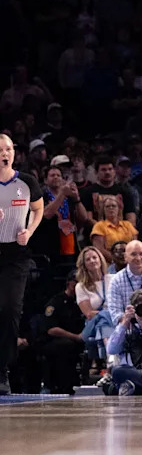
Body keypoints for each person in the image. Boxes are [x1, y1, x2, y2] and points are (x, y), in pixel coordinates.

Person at [0, 134, 44, 395]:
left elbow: (38, 209)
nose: (5, 153)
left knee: (9, 310)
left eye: (8, 149)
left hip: (16, 256)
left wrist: (29, 230)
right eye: (0, 150)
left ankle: (2, 371)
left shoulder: (26, 182)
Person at [37, 273, 85, 394]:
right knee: (65, 345)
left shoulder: (82, 301)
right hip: (54, 340)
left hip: (79, 339)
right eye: (76, 282)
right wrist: (75, 337)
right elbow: (51, 329)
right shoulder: (56, 302)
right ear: (69, 283)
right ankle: (58, 386)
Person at [75, 247, 113, 367]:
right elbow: (89, 314)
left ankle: (108, 356)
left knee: (104, 319)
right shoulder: (81, 287)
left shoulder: (113, 279)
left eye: (94, 257)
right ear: (84, 264)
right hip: (92, 327)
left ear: (100, 259)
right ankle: (110, 353)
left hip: (114, 320)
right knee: (103, 318)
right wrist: (109, 313)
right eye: (88, 259)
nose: (92, 261)